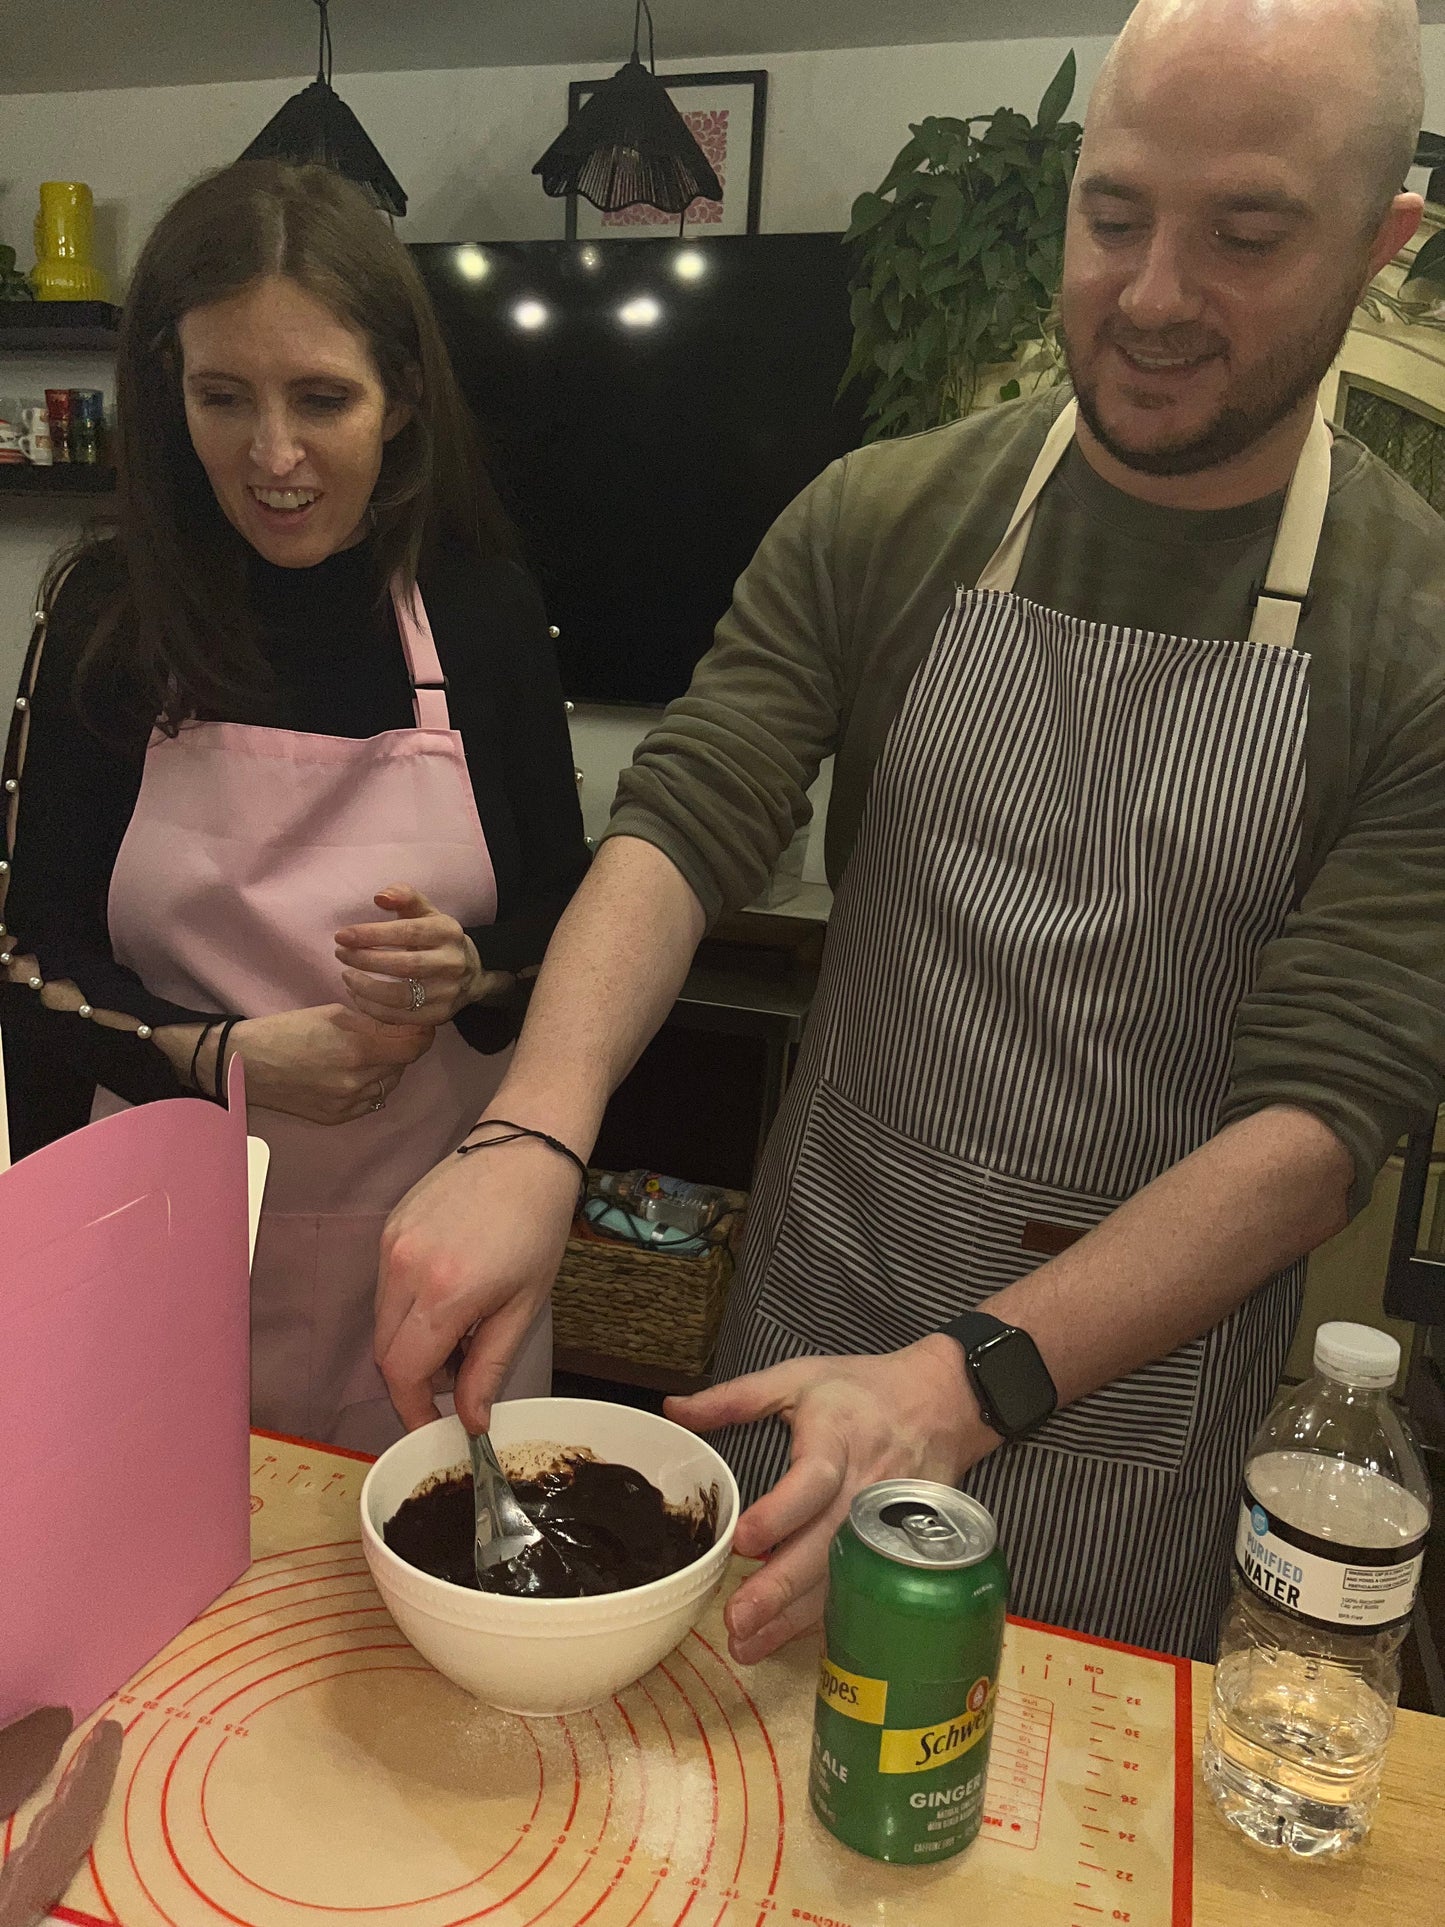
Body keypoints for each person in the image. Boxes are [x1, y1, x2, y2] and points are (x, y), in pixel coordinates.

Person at [370, 0, 1445, 1660]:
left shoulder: (1418, 630)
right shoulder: (881, 514)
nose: (1152, 297)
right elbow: (687, 817)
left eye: (1244, 234)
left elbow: (1324, 1109)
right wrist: (535, 1128)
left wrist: (967, 1384)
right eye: (1112, 217)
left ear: (1384, 243)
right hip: (814, 1314)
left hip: (1118, 1396)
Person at [0, 161, 588, 1452]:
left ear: (404, 398)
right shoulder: (109, 612)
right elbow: (29, 956)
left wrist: (469, 971)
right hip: (159, 1243)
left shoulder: (481, 615)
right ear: (169, 393)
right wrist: (220, 1059)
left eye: (322, 398)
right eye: (223, 398)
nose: (272, 457)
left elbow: (564, 928)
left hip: (431, 1247)